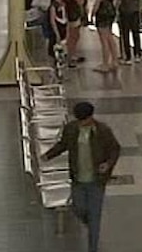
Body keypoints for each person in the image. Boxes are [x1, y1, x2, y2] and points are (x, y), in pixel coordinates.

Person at [41, 102, 121, 252]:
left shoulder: (102, 131)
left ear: (91, 117)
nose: (82, 123)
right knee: (78, 207)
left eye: (84, 120)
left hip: (96, 180)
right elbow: (63, 145)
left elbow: (114, 149)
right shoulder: (71, 129)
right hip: (78, 178)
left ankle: (93, 247)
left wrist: (108, 164)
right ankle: (89, 222)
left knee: (95, 215)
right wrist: (48, 155)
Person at [91, 0, 119, 72]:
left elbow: (98, 2)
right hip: (111, 12)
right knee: (109, 36)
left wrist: (93, 13)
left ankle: (105, 64)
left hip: (102, 13)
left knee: (103, 39)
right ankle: (115, 60)